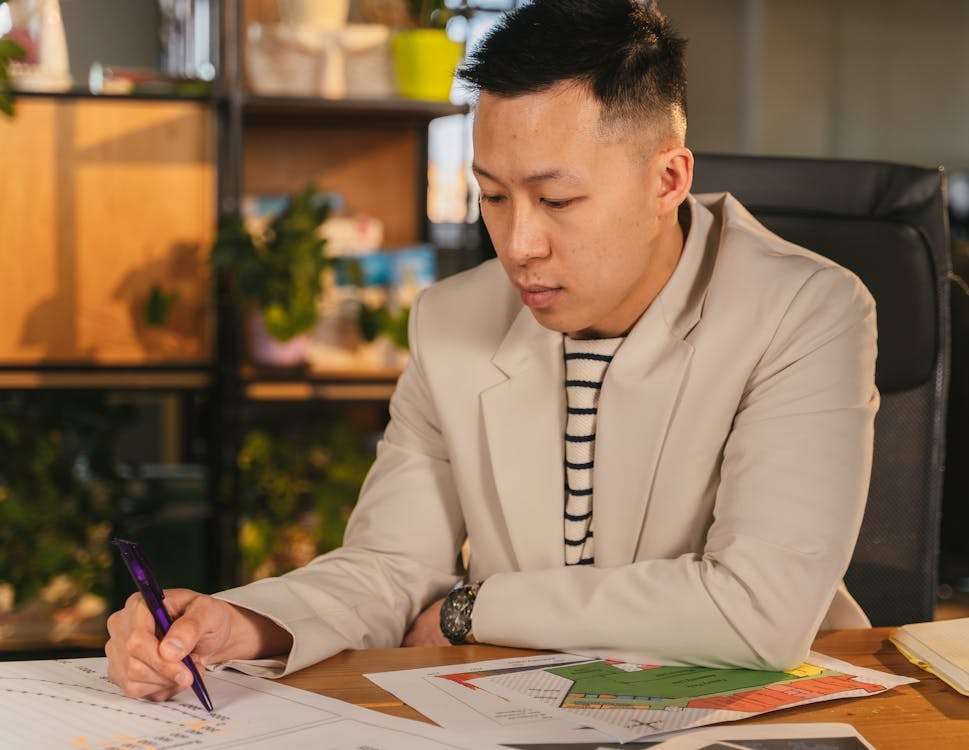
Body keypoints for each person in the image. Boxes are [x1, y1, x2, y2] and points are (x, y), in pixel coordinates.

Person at [106, 0, 878, 702]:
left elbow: (755, 609)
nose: (517, 244)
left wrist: (473, 608)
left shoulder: (804, 309)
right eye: (494, 196)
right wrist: (241, 623)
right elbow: (391, 564)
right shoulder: (451, 320)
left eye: (556, 199)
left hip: (751, 714)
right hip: (519, 708)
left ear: (667, 180)